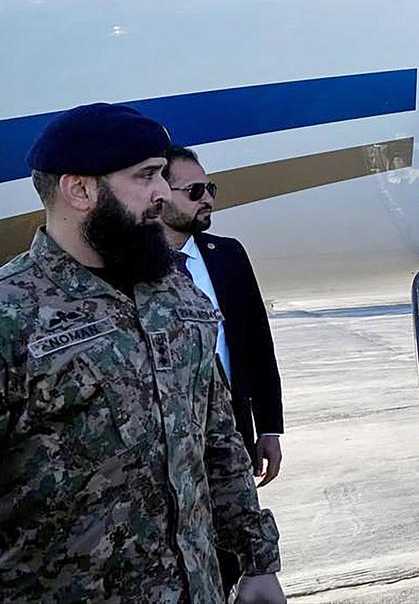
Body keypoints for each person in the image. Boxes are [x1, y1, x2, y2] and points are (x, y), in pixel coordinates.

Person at [0, 103, 285, 603]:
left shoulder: (177, 295)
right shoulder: (12, 313)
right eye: (146, 176)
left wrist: (257, 564)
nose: (162, 192)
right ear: (80, 189)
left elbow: (217, 439)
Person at [161, 146, 286, 594]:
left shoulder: (228, 255)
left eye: (209, 188)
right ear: (160, 194)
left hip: (231, 434)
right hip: (168, 445)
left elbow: (257, 344)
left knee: (235, 554)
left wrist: (269, 427)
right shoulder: (131, 268)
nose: (208, 199)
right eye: (195, 191)